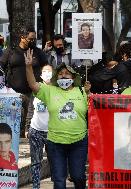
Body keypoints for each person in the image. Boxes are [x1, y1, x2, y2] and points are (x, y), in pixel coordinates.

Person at [25, 49, 90, 189]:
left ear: (73, 77)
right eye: (60, 74)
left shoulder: (81, 91)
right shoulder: (49, 90)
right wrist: (29, 67)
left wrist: (89, 93)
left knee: (78, 176)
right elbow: (33, 85)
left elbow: (92, 112)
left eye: (66, 73)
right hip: (56, 143)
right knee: (59, 181)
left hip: (78, 143)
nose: (63, 76)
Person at [25, 64, 53, 189]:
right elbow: (31, 109)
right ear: (41, 75)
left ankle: (57, 183)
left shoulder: (57, 90)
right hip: (36, 131)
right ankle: (36, 186)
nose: (47, 73)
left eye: (49, 71)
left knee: (55, 160)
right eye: (45, 71)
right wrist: (27, 127)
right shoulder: (36, 89)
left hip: (53, 132)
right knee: (36, 162)